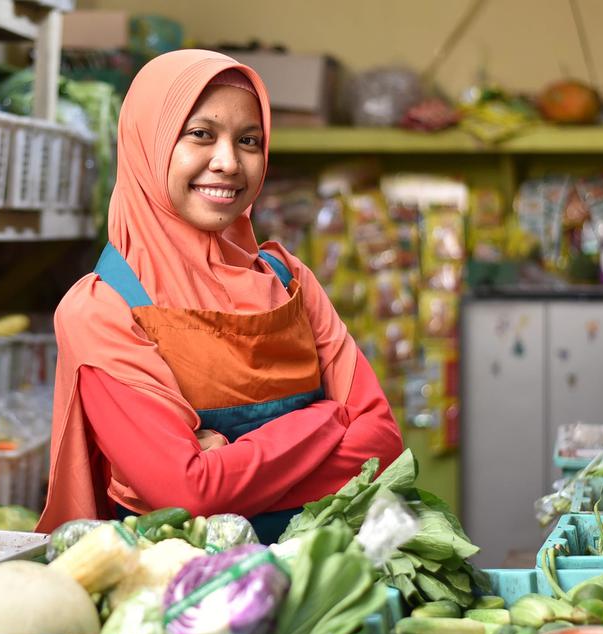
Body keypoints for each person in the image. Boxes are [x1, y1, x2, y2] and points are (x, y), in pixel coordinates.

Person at [37, 49, 403, 540]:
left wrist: (231, 465)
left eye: (249, 140)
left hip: (320, 572)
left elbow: (383, 447)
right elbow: (188, 494)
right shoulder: (103, 310)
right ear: (148, 143)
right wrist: (328, 420)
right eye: (201, 134)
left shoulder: (289, 280)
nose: (229, 162)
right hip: (182, 581)